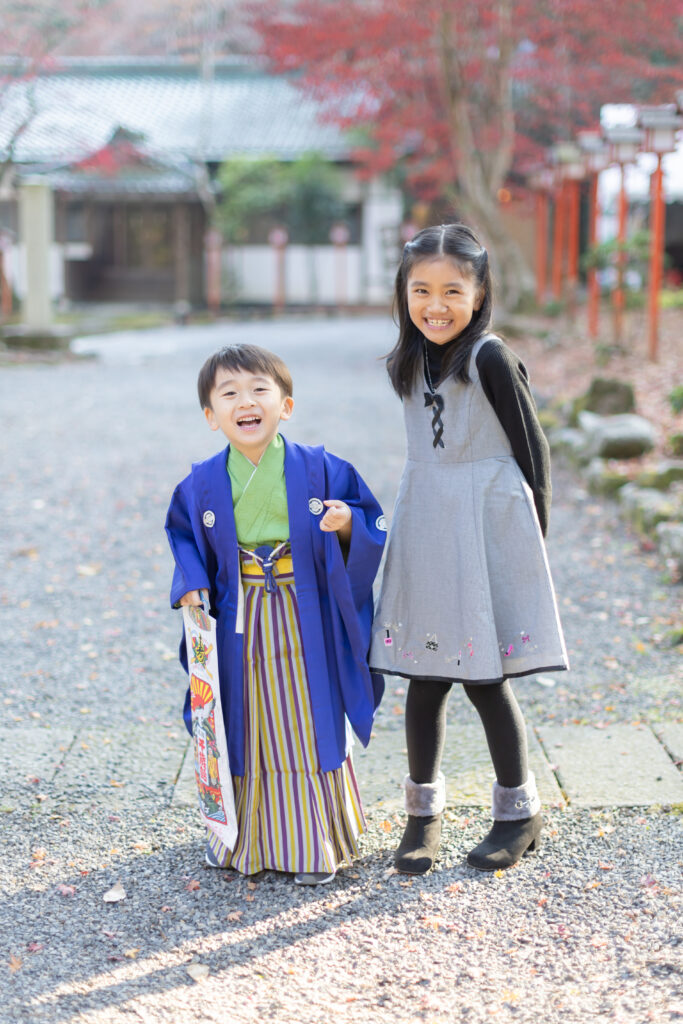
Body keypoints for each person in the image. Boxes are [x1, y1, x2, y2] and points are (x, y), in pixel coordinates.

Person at [369, 223, 568, 874]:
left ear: (479, 293)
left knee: (483, 677)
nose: (434, 304)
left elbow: (531, 448)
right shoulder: (407, 358)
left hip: (485, 519)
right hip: (428, 515)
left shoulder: (487, 356)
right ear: (402, 293)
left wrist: (527, 540)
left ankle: (519, 811)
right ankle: (421, 815)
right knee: (424, 678)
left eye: (451, 291)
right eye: (419, 290)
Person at [165, 344, 386, 884]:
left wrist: (346, 523)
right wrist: (191, 583)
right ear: (211, 416)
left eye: (260, 390)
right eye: (229, 394)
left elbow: (369, 519)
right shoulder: (200, 484)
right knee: (245, 724)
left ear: (285, 405)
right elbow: (183, 536)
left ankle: (314, 844)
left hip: (302, 612)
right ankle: (244, 842)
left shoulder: (320, 468)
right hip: (240, 621)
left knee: (306, 721)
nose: (247, 402)